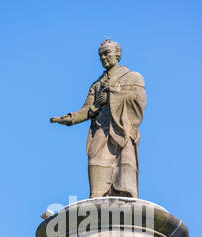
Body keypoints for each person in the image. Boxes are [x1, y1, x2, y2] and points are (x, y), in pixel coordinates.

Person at [50, 39, 147, 198]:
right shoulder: (97, 85)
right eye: (100, 55)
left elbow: (140, 101)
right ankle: (99, 198)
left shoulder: (133, 77)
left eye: (106, 53)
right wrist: (70, 119)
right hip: (101, 128)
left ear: (118, 55)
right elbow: (87, 109)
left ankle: (122, 196)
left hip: (122, 129)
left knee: (124, 165)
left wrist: (112, 96)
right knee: (94, 157)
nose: (103, 58)